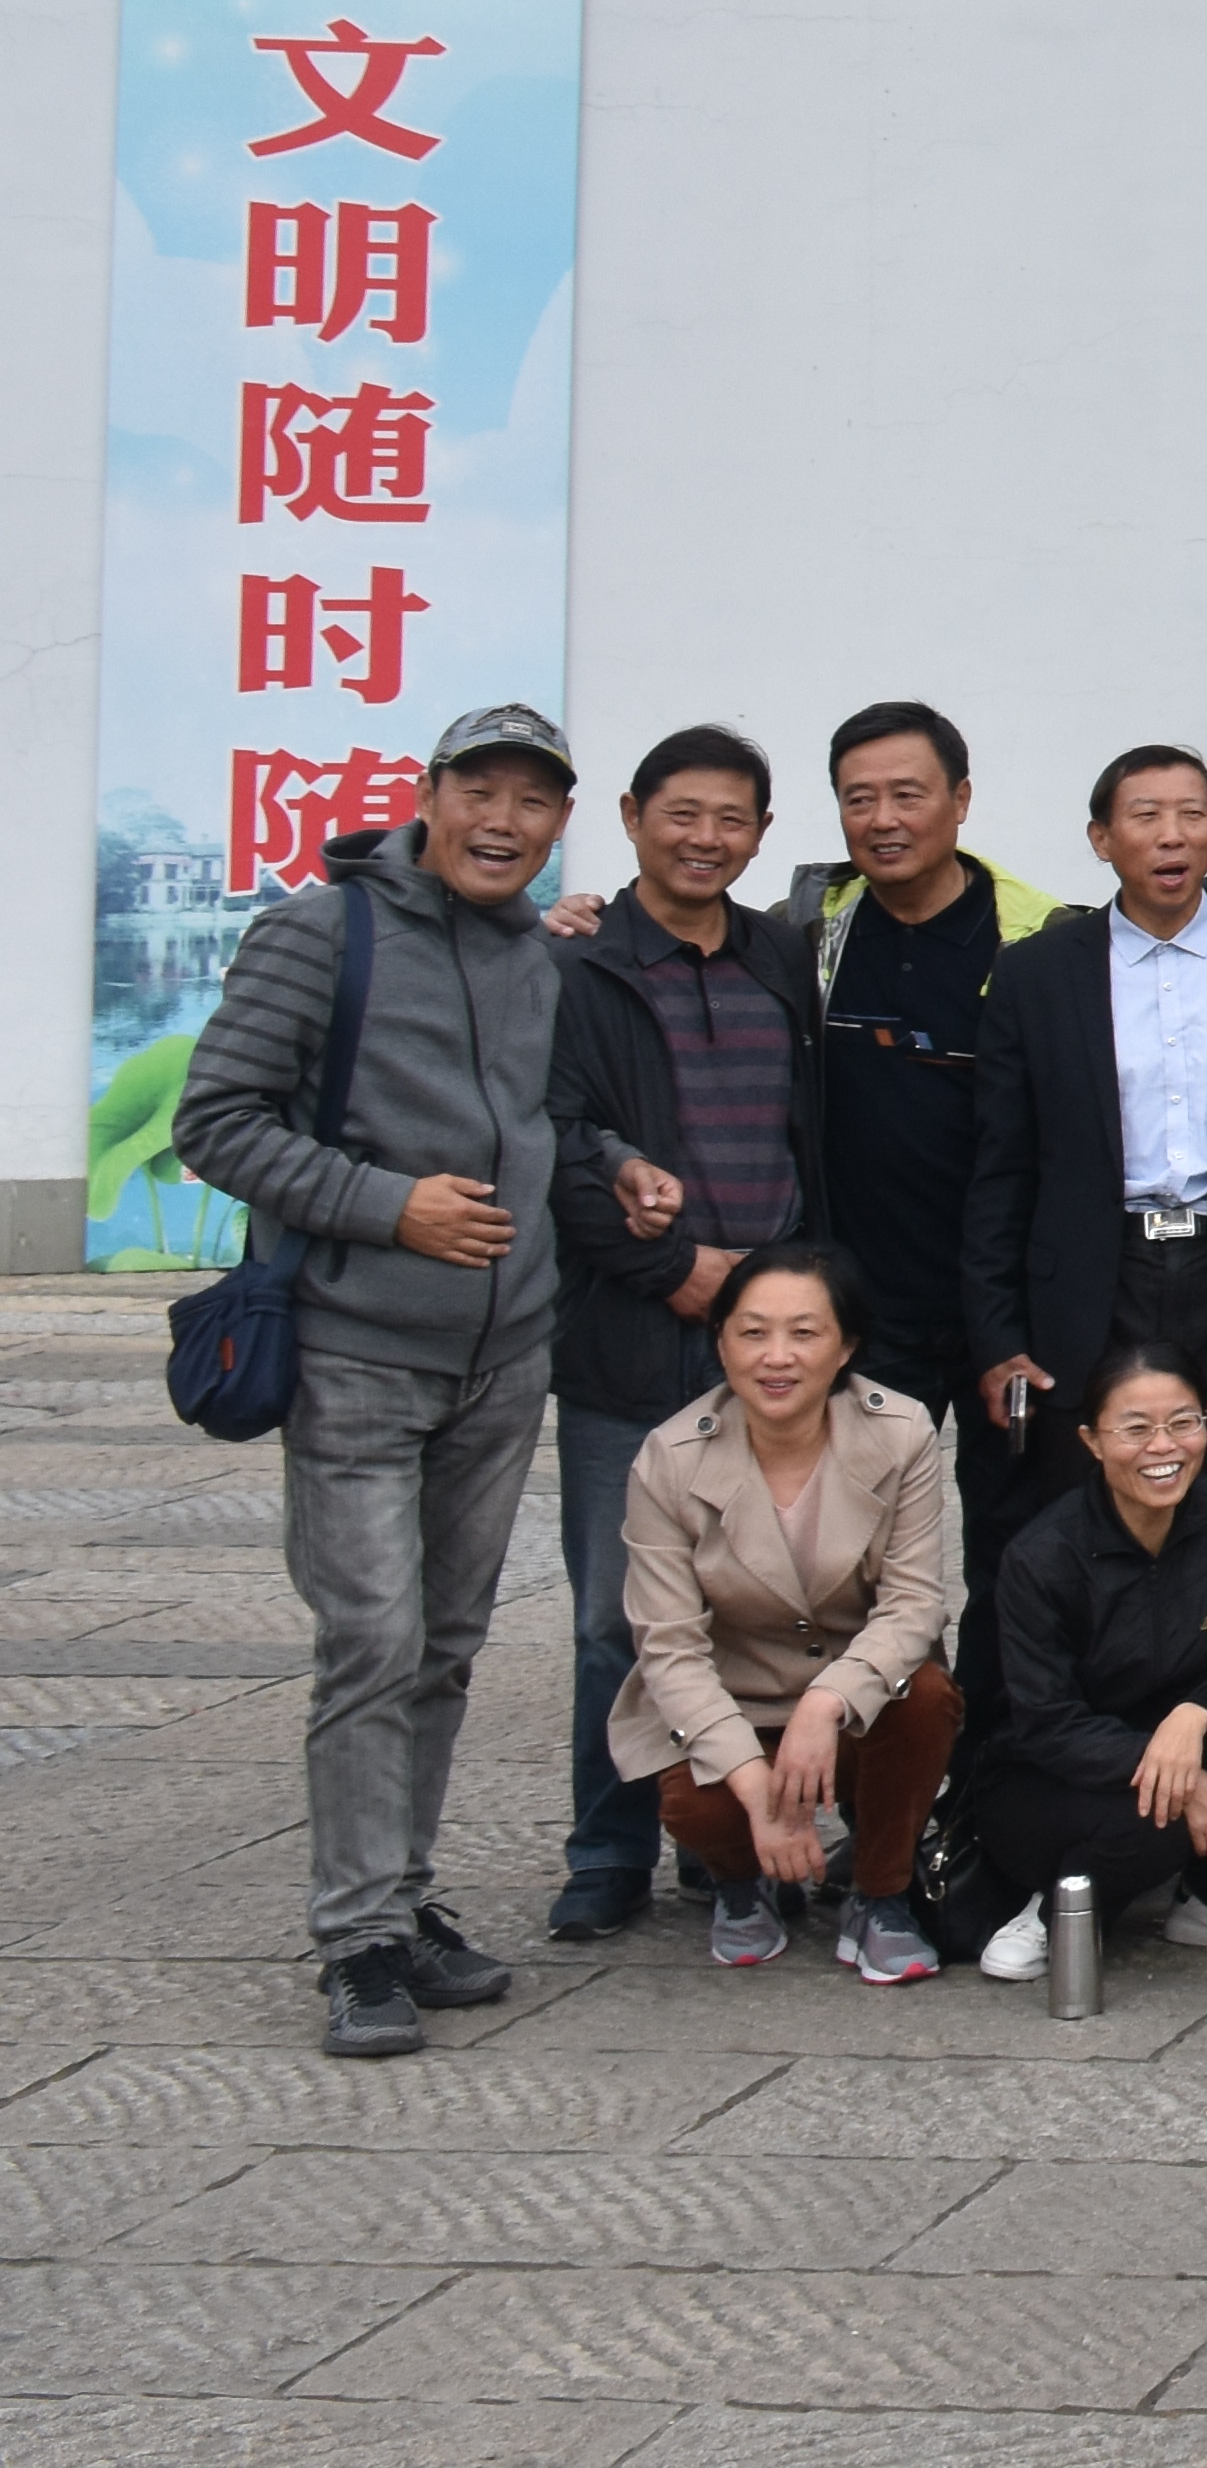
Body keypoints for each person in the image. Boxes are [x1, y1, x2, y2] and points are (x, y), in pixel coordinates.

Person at [185, 705, 657, 2050]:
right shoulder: (319, 932)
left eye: (533, 800)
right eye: (481, 791)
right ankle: (356, 1940)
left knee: (446, 1647)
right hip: (356, 1350)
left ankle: (402, 1897)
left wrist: (615, 1162)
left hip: (503, 1362)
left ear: (561, 822)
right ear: (430, 794)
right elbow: (214, 1120)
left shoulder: (536, 955)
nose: (503, 821)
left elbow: (542, 1118)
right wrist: (388, 1207)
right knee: (373, 1641)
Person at [971, 744, 1207, 1829]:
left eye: (1192, 814)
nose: (1171, 836)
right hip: (1095, 1279)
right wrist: (997, 1330)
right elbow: (1002, 1166)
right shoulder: (1042, 971)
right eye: (1144, 815)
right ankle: (1081, 1775)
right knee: (1085, 1519)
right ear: (1102, 839)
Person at [539, 724, 819, 1941]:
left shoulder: (782, 954)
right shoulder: (577, 964)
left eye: (732, 819)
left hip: (773, 1351)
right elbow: (553, 1140)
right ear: (632, 815)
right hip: (629, 1339)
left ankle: (725, 1840)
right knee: (618, 1616)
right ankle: (607, 1849)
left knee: (757, 1605)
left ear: (762, 833)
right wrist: (670, 1267)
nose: (706, 838)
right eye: (683, 814)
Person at [605, 1239, 962, 1982]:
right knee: (693, 1800)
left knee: (926, 1696)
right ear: (721, 1342)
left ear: (846, 1347)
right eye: (752, 1332)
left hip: (856, 1695)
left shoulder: (900, 1432)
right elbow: (668, 1647)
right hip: (732, 1694)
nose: (777, 1357)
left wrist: (826, 1704)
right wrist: (753, 1786)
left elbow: (912, 1606)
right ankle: (742, 1883)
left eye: (804, 1333)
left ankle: (882, 1893)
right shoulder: (670, 1457)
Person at [799, 700, 1055, 1602]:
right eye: (858, 798)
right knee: (850, 1560)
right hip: (863, 1311)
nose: (883, 820)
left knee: (1018, 1559)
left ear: (961, 800)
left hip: (1009, 1315)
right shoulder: (809, 935)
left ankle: (995, 1705)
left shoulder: (1043, 939)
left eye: (908, 795)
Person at [966, 1339, 1207, 1979]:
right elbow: (1045, 1721)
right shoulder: (1042, 1555)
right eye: (1135, 1429)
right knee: (1154, 1819)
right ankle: (1060, 1902)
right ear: (1091, 1441)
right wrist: (1184, 1779)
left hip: (1177, 1739)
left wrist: (1195, 1715)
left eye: (1183, 1422)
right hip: (1048, 1776)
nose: (1164, 1447)